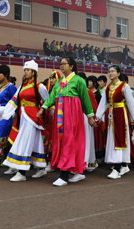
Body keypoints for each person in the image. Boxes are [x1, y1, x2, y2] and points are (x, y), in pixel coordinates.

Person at [37, 57, 95, 186]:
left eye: (64, 64)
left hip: (73, 116)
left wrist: (90, 116)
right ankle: (77, 172)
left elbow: (85, 99)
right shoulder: (58, 83)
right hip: (60, 117)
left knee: (70, 142)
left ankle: (64, 175)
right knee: (62, 142)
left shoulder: (79, 80)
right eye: (60, 64)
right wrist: (43, 109)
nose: (62, 66)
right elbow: (51, 98)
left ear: (72, 66)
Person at [0, 61, 49, 181]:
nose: (26, 72)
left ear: (34, 72)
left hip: (33, 117)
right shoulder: (22, 86)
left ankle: (21, 172)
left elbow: (48, 102)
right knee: (35, 142)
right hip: (22, 117)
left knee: (24, 141)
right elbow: (15, 99)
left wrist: (55, 115)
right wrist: (4, 111)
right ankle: (40, 169)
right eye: (25, 70)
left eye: (28, 70)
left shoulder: (39, 86)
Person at [95, 66, 134, 179]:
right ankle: (123, 165)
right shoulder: (108, 88)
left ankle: (118, 167)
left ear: (118, 73)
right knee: (112, 139)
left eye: (113, 71)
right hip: (110, 116)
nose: (110, 73)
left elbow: (130, 102)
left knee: (119, 138)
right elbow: (103, 103)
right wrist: (97, 117)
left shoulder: (124, 86)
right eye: (109, 71)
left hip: (120, 115)